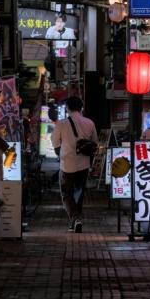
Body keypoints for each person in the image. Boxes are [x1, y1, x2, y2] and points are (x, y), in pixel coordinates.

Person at [51, 95, 97, 233]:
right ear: (81, 107)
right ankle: (75, 220)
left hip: (67, 164)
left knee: (66, 194)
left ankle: (75, 219)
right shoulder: (90, 123)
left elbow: (55, 142)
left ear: (68, 108)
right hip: (83, 163)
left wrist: (61, 153)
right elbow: (94, 142)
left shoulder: (62, 123)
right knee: (79, 192)